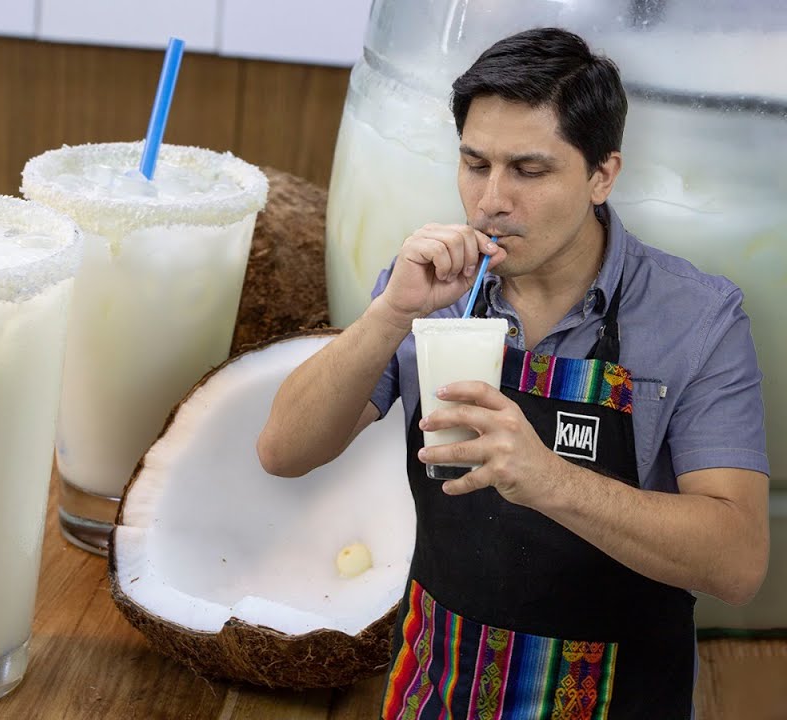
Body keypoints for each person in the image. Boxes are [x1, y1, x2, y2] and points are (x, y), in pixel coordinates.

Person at [257, 27, 769, 718]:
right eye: (474, 163)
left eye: (528, 170)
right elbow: (284, 451)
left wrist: (549, 478)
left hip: (618, 700)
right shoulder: (430, 284)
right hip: (434, 690)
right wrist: (388, 315)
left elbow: (737, 562)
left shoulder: (696, 319)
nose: (491, 200)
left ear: (602, 174)